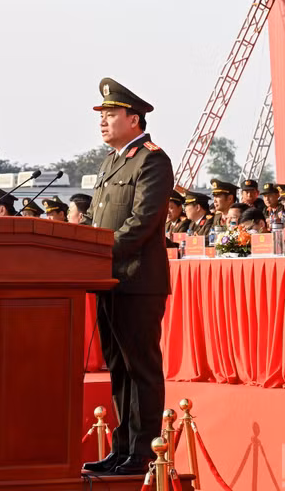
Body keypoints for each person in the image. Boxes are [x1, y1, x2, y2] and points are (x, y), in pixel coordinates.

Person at [80, 78, 173, 477]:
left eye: (110, 114)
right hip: (108, 281)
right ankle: (122, 449)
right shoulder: (111, 161)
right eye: (101, 115)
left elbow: (141, 223)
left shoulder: (152, 160)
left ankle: (144, 452)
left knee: (141, 368)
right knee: (118, 368)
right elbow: (97, 220)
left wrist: (99, 251)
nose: (103, 121)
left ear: (133, 119)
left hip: (137, 281)